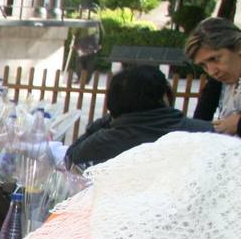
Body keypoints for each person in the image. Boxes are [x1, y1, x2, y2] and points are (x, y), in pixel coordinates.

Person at [65, 65, 213, 167]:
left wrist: (107, 121)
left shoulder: (103, 141)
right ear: (164, 95)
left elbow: (70, 159)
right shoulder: (205, 132)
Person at [185, 17, 241, 136]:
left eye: (214, 59)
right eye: (203, 65)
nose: (211, 71)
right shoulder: (218, 82)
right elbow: (199, 123)